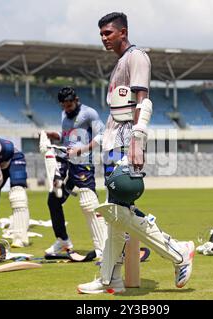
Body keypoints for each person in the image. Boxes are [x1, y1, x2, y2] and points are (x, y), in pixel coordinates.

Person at [77, 12, 195, 294]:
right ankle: (110, 279)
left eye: (108, 33)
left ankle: (178, 253)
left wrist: (136, 142)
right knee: (115, 214)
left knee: (119, 211)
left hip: (125, 144)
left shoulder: (136, 57)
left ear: (123, 32)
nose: (104, 38)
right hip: (111, 145)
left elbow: (143, 103)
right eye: (101, 34)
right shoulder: (119, 63)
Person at [42, 87, 107, 258]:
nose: (67, 109)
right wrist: (53, 135)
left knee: (89, 204)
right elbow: (65, 138)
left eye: (69, 105)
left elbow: (101, 136)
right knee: (53, 201)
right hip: (65, 161)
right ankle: (63, 240)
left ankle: (103, 247)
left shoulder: (89, 113)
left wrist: (82, 149)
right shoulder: (64, 115)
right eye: (64, 106)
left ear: (76, 100)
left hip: (83, 163)